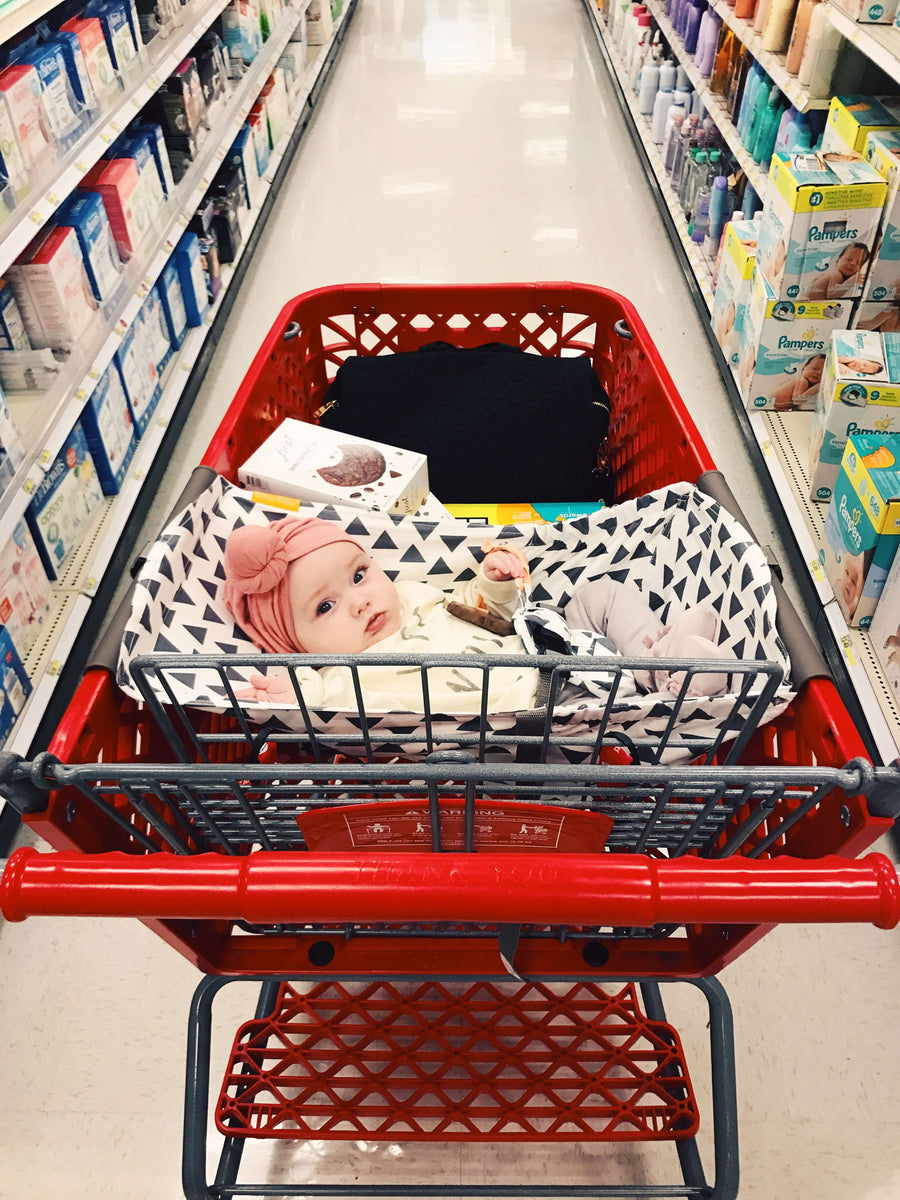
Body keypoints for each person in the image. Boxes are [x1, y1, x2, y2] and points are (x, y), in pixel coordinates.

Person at [222, 516, 733, 713]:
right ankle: (669, 690)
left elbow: (483, 611)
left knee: (600, 594)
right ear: (297, 645)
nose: (359, 601)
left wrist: (493, 581)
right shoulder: (340, 678)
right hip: (537, 701)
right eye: (325, 607)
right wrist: (293, 694)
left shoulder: (412, 594)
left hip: (543, 640)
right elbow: (322, 706)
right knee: (597, 705)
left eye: (359, 575)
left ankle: (660, 657)